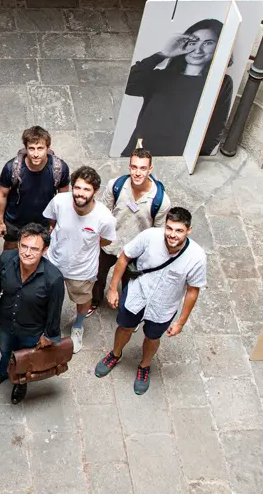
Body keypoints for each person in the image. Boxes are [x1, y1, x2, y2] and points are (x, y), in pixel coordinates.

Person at [94, 207, 206, 395]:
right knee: (124, 328)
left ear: (189, 230)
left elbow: (193, 290)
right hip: (137, 294)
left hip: (164, 306)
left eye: (179, 230)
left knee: (153, 337)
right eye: (169, 228)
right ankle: (115, 354)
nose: (172, 235)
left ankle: (144, 366)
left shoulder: (196, 257)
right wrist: (113, 288)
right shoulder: (149, 237)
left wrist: (181, 322)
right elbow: (124, 257)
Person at [118, 19, 231, 156]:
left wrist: (195, 158)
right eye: (193, 42)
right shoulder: (162, 77)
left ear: (219, 47)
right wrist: (163, 54)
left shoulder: (221, 82)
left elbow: (216, 127)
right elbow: (129, 85)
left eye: (208, 43)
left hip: (179, 159)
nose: (198, 49)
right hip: (140, 156)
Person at [0, 223, 64, 404]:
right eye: (24, 246)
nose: (27, 253)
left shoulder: (54, 278)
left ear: (44, 250)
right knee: (5, 351)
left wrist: (49, 335)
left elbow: (55, 310)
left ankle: (21, 382)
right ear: (18, 244)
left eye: (34, 249)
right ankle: (3, 372)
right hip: (6, 320)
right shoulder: (5, 259)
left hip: (32, 328)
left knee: (26, 358)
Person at [43, 165, 116, 354]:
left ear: (95, 192)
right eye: (77, 187)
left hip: (82, 269)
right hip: (54, 262)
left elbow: (106, 240)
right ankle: (48, 326)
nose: (80, 193)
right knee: (48, 297)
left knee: (82, 300)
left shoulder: (104, 218)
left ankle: (78, 326)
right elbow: (51, 221)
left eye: (86, 189)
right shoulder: (59, 201)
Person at [91, 148, 170, 314]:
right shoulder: (116, 186)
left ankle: (128, 311)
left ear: (150, 169)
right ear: (129, 167)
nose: (138, 173)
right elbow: (103, 212)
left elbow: (158, 233)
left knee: (131, 284)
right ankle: (95, 301)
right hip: (110, 243)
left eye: (142, 168)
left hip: (136, 251)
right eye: (134, 167)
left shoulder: (160, 201)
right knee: (97, 275)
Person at [0, 126, 70, 251]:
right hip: (15, 221)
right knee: (10, 249)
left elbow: (63, 199)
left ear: (48, 148)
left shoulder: (59, 168)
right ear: (26, 148)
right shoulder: (11, 168)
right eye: (31, 148)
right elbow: (2, 194)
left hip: (43, 222)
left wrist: (55, 223)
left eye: (40, 148)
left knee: (38, 251)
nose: (35, 154)